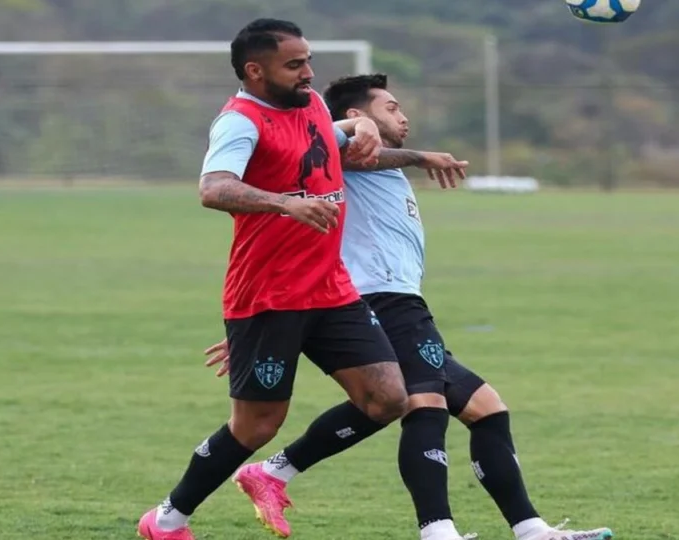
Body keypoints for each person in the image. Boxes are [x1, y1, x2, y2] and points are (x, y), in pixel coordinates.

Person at [205, 74, 614, 540]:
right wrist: (416, 155)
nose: (404, 116)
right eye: (392, 107)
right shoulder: (340, 151)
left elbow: (370, 160)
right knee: (424, 404)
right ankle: (437, 532)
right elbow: (335, 152)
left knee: (487, 410)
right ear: (357, 119)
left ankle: (532, 530)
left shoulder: (378, 165)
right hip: (379, 299)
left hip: (392, 301)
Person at [137, 20, 472, 540]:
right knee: (255, 426)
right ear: (255, 70)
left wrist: (360, 128)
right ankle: (166, 519)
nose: (308, 72)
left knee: (388, 398)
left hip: (332, 290)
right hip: (269, 294)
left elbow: (337, 137)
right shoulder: (240, 121)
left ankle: (276, 473)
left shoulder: (310, 103)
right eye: (294, 65)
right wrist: (284, 203)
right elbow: (213, 187)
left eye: (308, 60)